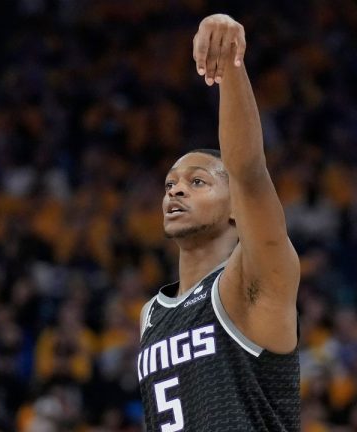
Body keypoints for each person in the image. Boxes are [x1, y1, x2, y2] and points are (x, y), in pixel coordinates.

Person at [137, 14, 301, 431]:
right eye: (170, 184)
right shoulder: (151, 315)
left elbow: (248, 171)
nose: (175, 191)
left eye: (197, 182)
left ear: (234, 208)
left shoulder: (255, 278)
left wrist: (230, 66)